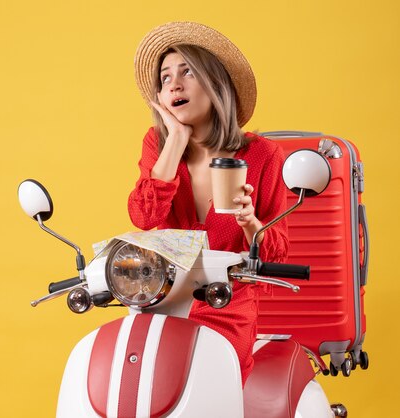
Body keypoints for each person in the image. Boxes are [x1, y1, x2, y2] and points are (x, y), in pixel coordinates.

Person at [128, 21, 289, 385]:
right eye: (165, 77)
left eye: (187, 72)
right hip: (164, 301)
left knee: (211, 381)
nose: (174, 83)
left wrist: (249, 221)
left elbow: (276, 255)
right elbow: (143, 216)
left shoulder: (263, 155)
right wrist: (175, 139)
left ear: (216, 85)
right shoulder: (158, 146)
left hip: (227, 306)